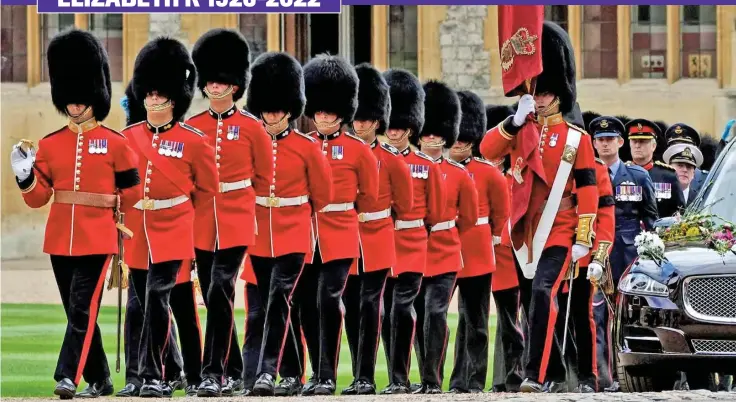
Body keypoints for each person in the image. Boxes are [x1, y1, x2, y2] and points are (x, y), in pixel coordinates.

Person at [10, 28, 139, 399]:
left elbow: (129, 195)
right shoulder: (50, 145)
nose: (75, 105)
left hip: (98, 239)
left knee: (82, 310)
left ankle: (67, 376)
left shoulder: (117, 144)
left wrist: (118, 223)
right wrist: (24, 177)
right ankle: (101, 380)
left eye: (81, 98)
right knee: (77, 315)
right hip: (60, 239)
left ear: (93, 97)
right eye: (70, 98)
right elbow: (40, 198)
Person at [480, 22, 599, 393]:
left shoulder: (577, 139)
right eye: (537, 92)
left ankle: (535, 374)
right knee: (533, 303)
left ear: (560, 95)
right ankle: (554, 372)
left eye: (547, 93)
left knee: (544, 293)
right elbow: (487, 151)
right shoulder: (521, 130)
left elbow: (588, 190)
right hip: (525, 229)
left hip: (560, 227)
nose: (542, 99)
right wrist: (513, 121)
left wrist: (584, 236)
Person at [122, 36, 219, 398]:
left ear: (173, 98)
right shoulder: (128, 138)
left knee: (159, 296)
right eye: (147, 93)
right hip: (140, 231)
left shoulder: (194, 141)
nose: (151, 99)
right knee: (154, 302)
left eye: (158, 93)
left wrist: (198, 241)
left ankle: (151, 376)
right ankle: (188, 374)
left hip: (175, 228)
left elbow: (207, 193)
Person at [186, 28, 273, 397]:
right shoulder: (194, 127)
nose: (215, 88)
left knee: (221, 286)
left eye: (222, 82)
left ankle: (211, 373)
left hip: (237, 218)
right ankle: (235, 368)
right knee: (212, 293)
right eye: (210, 82)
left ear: (235, 86)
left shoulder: (253, 128)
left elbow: (264, 177)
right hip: (203, 219)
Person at [245, 52, 333, 397]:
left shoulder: (306, 147)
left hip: (294, 232)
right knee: (271, 303)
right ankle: (293, 374)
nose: (271, 115)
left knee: (280, 297)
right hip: (259, 233)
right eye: (267, 108)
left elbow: (322, 195)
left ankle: (268, 371)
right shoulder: (252, 143)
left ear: (290, 109)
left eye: (278, 109)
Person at [293, 54, 379, 396]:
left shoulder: (358, 151)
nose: (324, 116)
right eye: (320, 110)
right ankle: (319, 372)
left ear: (342, 113)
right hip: (308, 234)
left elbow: (370, 197)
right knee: (304, 302)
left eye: (330, 111)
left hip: (342, 232)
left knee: (329, 298)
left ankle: (330, 374)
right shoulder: (305, 145)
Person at [342, 63, 414, 396]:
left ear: (377, 122)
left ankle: (368, 378)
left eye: (366, 120)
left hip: (377, 236)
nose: (360, 125)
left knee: (372, 306)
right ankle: (359, 373)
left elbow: (406, 204)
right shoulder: (341, 153)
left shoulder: (392, 159)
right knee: (352, 308)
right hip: (346, 238)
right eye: (356, 119)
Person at [378, 69, 444, 395]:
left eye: (400, 126)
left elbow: (436, 212)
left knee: (403, 309)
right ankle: (398, 378)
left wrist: (417, 228)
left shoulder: (425, 165)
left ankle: (405, 378)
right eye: (390, 125)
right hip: (382, 242)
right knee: (386, 312)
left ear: (410, 128)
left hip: (413, 241)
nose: (393, 132)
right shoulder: (375, 160)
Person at [412, 80, 479, 394]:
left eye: (438, 132)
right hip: (412, 249)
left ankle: (431, 379)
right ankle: (425, 371)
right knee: (416, 315)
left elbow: (466, 219)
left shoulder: (460, 174)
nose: (432, 137)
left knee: (437, 313)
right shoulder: (407, 167)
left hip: (445, 249)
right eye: (427, 131)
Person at [590, 116, 658, 392]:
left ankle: (623, 376)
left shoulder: (638, 176)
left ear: (620, 142)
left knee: (626, 315)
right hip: (596, 251)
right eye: (600, 140)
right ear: (594, 143)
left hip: (628, 252)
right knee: (595, 314)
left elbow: (651, 219)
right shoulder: (585, 173)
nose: (605, 144)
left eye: (610, 139)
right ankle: (598, 375)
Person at [447, 91, 509, 394]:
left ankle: (473, 381)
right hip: (444, 250)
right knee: (438, 319)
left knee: (477, 323)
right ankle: (452, 380)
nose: (458, 144)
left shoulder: (487, 173)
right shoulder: (439, 169)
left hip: (477, 251)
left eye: (464, 139)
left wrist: (491, 238)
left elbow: (501, 212)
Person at [553, 117, 617, 394]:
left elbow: (605, 218)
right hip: (553, 250)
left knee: (581, 316)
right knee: (550, 316)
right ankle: (554, 376)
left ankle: (587, 377)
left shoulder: (598, 170)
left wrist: (598, 257)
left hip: (583, 254)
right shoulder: (555, 169)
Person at [486, 105, 525, 394]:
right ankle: (505, 377)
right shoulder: (489, 175)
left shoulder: (514, 177)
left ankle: (519, 375)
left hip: (518, 256)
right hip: (497, 258)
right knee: (506, 323)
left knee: (519, 323)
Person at [625, 119, 684, 218]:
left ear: (653, 146)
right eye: (634, 141)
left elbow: (680, 211)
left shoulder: (667, 175)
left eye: (643, 142)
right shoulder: (622, 173)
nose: (637, 146)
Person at [662, 124, 705, 207]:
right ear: (669, 168)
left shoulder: (701, 200)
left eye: (689, 167)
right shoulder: (657, 197)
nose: (685, 170)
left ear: (694, 173)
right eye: (680, 165)